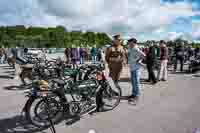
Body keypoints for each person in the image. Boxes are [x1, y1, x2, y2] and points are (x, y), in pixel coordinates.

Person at [127, 38, 146, 103]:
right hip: (132, 68)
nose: (128, 43)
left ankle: (137, 95)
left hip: (136, 68)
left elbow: (144, 56)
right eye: (128, 42)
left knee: (136, 82)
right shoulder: (131, 48)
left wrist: (139, 61)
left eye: (129, 42)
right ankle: (133, 94)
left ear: (133, 42)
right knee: (133, 82)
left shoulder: (136, 48)